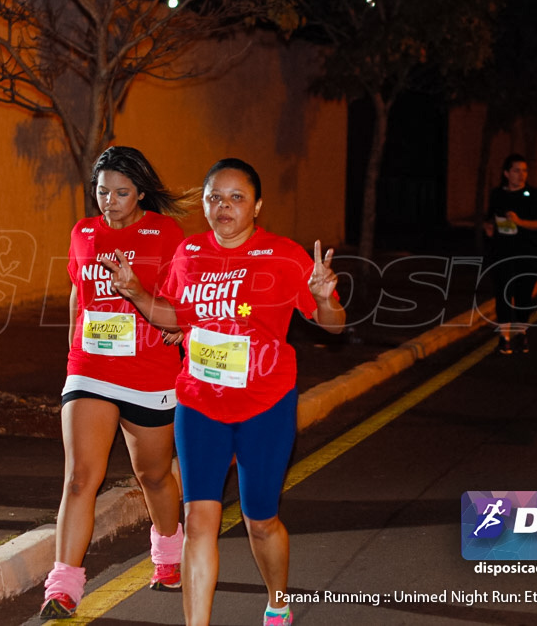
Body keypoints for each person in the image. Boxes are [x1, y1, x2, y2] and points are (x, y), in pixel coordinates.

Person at [100, 158, 345, 626]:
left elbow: (333, 324)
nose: (224, 206)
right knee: (199, 525)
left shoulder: (283, 255)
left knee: (260, 521)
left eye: (236, 198)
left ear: (257, 205)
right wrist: (134, 292)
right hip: (199, 403)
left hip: (265, 405)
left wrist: (326, 296)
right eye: (215, 197)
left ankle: (277, 599)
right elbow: (174, 316)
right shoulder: (189, 253)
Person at [41, 146, 188, 619]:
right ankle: (63, 585)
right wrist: (71, 355)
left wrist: (171, 322)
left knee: (153, 475)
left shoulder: (165, 234)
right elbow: (76, 295)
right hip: (91, 367)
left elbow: (181, 300)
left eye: (121, 193)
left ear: (141, 192)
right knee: (81, 477)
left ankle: (169, 550)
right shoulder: (83, 233)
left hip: (149, 372)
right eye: (102, 191)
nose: (109, 201)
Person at [485, 154, 537, 354]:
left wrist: (519, 221)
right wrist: (490, 227)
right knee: (503, 295)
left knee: (523, 297)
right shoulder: (497, 195)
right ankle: (504, 337)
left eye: (524, 170)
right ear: (507, 173)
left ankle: (521, 333)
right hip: (502, 253)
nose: (522, 175)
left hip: (527, 254)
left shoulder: (533, 195)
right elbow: (490, 217)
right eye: (517, 170)